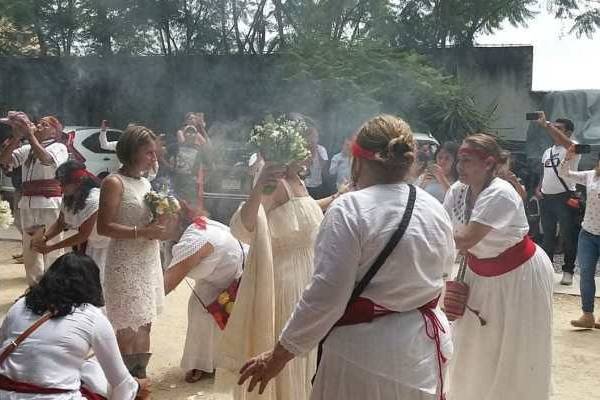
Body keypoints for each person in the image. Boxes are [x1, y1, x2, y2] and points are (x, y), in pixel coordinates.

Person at [237, 115, 454, 400]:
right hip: (421, 355)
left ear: (357, 160)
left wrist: (279, 355)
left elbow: (326, 298)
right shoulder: (433, 207)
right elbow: (444, 274)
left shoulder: (350, 209)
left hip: (363, 360)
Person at [443, 133, 554, 400]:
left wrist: (421, 232)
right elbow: (445, 229)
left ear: (489, 163)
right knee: (472, 344)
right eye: (459, 159)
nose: (460, 166)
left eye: (467, 160)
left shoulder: (500, 193)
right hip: (479, 273)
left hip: (519, 277)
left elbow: (465, 237)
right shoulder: (457, 190)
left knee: (515, 348)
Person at [216, 146, 323, 400]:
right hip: (285, 282)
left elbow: (302, 212)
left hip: (308, 277)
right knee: (288, 354)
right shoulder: (275, 184)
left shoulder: (298, 180)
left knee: (305, 354)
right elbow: (244, 227)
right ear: (293, 148)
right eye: (307, 148)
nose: (312, 154)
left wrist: (337, 198)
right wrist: (260, 183)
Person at [0, 253, 150, 399]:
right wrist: (136, 386)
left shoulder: (21, 305)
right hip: (55, 397)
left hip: (5, 392)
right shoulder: (92, 316)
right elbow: (121, 382)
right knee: (95, 373)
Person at [97, 125, 171, 378]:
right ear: (131, 152)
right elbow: (104, 226)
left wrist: (163, 223)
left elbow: (151, 221)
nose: (154, 158)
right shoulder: (114, 182)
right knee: (127, 329)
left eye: (154, 153)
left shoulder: (145, 183)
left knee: (145, 326)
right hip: (125, 262)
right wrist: (142, 232)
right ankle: (122, 385)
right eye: (148, 153)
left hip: (148, 260)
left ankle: (140, 380)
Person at [164, 207, 246, 383]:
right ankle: (203, 362)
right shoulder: (188, 229)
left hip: (239, 272)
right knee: (198, 308)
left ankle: (221, 361)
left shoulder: (194, 240)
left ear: (175, 220)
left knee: (212, 313)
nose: (155, 225)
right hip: (216, 276)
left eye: (161, 220)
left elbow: (167, 284)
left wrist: (139, 307)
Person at [0, 112, 68, 286]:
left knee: (52, 247)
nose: (38, 126)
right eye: (39, 123)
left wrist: (30, 135)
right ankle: (35, 291)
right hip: (28, 204)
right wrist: (16, 137)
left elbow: (46, 159)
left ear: (54, 132)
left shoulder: (59, 147)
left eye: (45, 125)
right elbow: (4, 160)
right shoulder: (27, 148)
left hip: (49, 204)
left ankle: (53, 290)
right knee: (30, 250)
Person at [31, 161, 110, 286]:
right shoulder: (69, 196)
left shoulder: (94, 199)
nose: (60, 188)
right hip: (91, 244)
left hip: (106, 246)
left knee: (100, 282)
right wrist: (45, 238)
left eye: (63, 184)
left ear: (78, 182)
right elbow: (61, 223)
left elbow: (83, 235)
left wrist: (51, 248)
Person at [535, 112, 581, 285]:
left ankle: (568, 270)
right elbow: (545, 171)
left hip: (565, 196)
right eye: (553, 126)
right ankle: (547, 270)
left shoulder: (574, 146)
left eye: (558, 128)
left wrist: (547, 126)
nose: (553, 130)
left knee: (568, 235)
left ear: (568, 132)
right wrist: (539, 187)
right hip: (547, 198)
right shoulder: (548, 151)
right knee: (547, 236)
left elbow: (568, 144)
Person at [559, 145, 600, 328]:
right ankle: (587, 314)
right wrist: (568, 157)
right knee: (585, 273)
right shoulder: (591, 175)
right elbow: (564, 173)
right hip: (588, 233)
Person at [304, 124, 329, 199]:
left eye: (315, 136)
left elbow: (323, 168)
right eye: (311, 136)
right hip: (304, 186)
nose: (313, 139)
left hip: (317, 185)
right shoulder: (302, 150)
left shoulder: (321, 149)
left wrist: (315, 150)